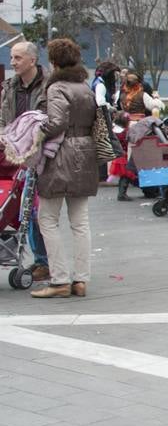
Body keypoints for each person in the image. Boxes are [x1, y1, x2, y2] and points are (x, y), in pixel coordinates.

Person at [30, 39, 99, 300]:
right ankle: (81, 279)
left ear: (54, 62)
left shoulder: (57, 87)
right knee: (80, 221)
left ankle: (59, 279)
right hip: (85, 152)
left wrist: (36, 132)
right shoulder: (84, 86)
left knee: (47, 218)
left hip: (61, 154)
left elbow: (57, 122)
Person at [0, 40, 50, 284]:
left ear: (32, 60)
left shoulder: (49, 86)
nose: (13, 63)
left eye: (17, 58)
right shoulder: (9, 87)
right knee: (19, 207)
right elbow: (2, 118)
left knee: (35, 210)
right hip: (13, 153)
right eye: (12, 57)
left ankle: (43, 261)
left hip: (40, 154)